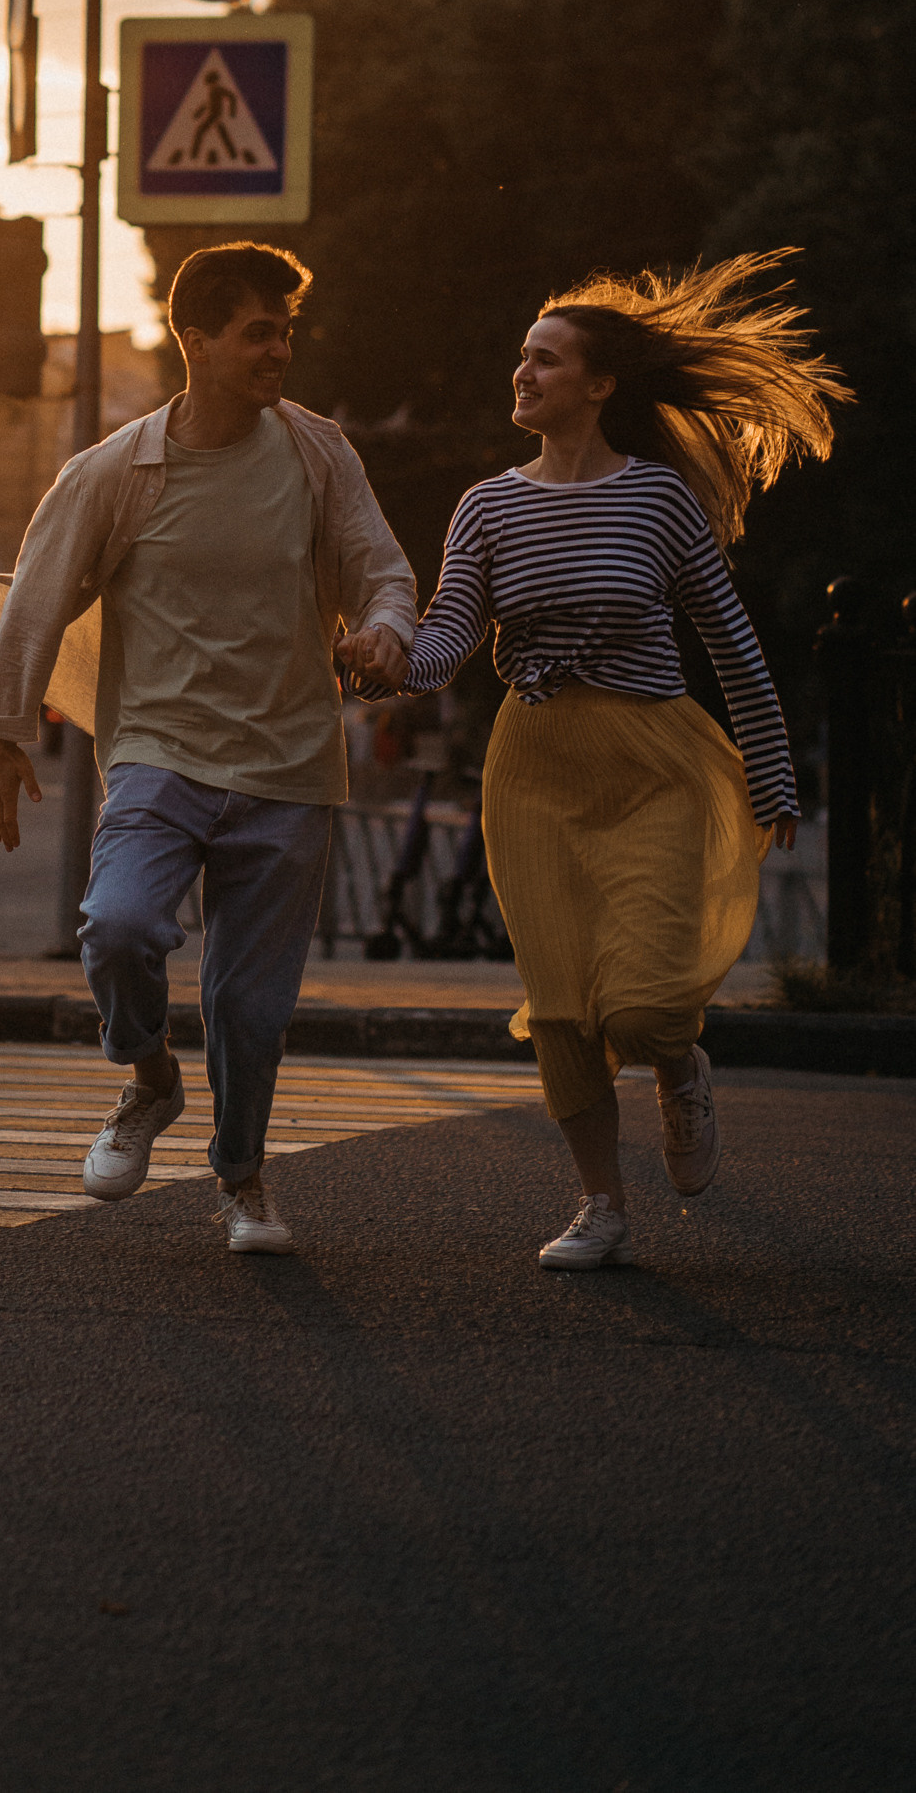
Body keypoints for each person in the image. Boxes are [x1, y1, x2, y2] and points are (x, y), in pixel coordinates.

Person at [338, 254, 843, 1270]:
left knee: (643, 1000)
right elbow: (444, 642)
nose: (520, 372)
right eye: (520, 356)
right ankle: (599, 1202)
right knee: (563, 1005)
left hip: (648, 755)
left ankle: (676, 1062)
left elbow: (729, 642)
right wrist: (385, 659)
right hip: (530, 766)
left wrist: (772, 770)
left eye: (544, 358)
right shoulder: (486, 505)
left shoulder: (657, 498)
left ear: (598, 383)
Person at [0, 242, 417, 1252]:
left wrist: (386, 626)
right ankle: (147, 1074)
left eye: (284, 330)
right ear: (195, 338)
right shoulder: (112, 471)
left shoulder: (315, 451)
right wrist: (3, 731)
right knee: (119, 925)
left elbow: (381, 569)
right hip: (157, 753)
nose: (278, 349)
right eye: (258, 330)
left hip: (288, 766)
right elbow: (33, 603)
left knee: (247, 1007)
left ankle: (242, 1178)